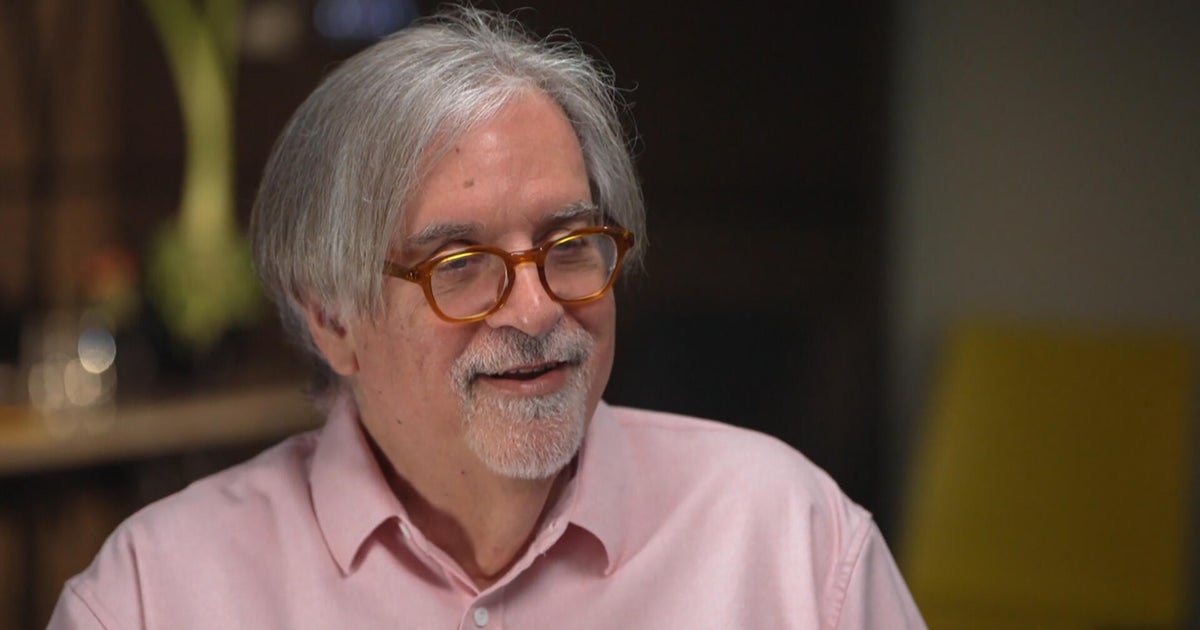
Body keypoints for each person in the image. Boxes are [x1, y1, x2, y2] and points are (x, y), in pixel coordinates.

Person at [50, 7, 924, 629]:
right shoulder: (152, 595)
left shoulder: (792, 539)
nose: (537, 308)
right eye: (460, 266)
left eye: (570, 245)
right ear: (331, 319)